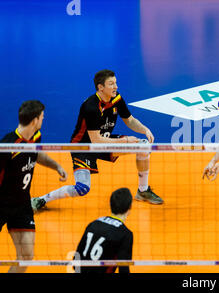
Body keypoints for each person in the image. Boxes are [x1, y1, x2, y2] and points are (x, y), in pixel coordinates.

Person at [31, 69, 163, 212]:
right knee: (82, 188)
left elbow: (129, 120)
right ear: (101, 87)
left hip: (104, 142)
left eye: (116, 83)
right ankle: (41, 199)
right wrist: (126, 141)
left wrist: (145, 130)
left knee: (143, 146)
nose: (116, 87)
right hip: (83, 148)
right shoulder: (91, 107)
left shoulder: (116, 98)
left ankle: (143, 191)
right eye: (111, 84)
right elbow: (96, 141)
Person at [0, 100, 68, 273]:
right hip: (1, 205)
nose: (43, 120)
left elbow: (37, 154)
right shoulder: (8, 147)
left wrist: (57, 166)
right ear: (34, 120)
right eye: (42, 117)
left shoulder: (35, 137)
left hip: (22, 205)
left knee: (26, 255)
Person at [74, 187, 133, 273]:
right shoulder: (125, 234)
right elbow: (124, 270)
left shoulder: (93, 223)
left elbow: (76, 260)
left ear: (110, 205)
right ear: (130, 207)